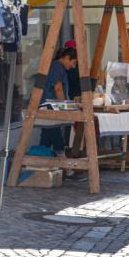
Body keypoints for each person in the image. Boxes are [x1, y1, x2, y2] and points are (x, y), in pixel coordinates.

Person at [40, 47, 81, 179]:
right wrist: (65, 106)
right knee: (56, 136)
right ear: (67, 58)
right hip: (50, 107)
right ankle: (67, 170)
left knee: (46, 139)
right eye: (73, 62)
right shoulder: (58, 67)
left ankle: (40, 168)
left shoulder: (55, 66)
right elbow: (58, 88)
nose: (73, 66)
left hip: (48, 106)